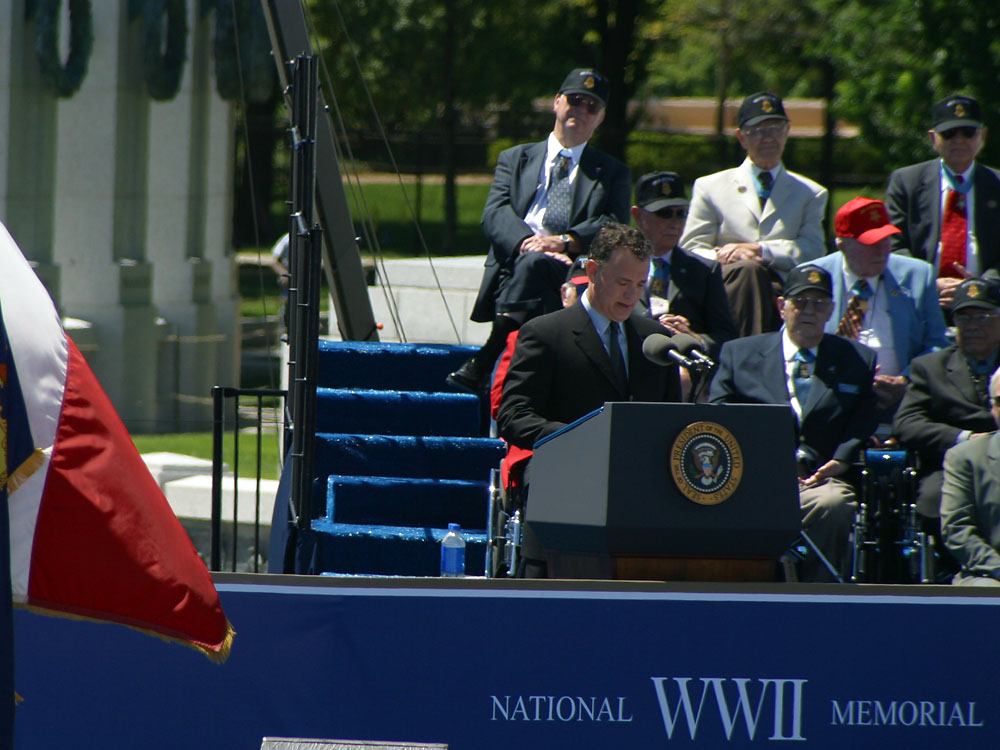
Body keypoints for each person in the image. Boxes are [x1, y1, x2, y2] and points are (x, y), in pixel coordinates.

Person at [497, 223, 681, 576]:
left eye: (640, 285)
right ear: (594, 271)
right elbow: (514, 414)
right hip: (566, 489)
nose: (632, 296)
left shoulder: (655, 340)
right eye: (623, 283)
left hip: (639, 499)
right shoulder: (547, 333)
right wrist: (577, 440)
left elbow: (669, 417)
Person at [447, 68, 630, 393]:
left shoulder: (612, 171)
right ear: (557, 103)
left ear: (601, 117)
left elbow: (614, 223)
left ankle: (488, 355)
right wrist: (527, 243)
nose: (581, 110)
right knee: (532, 264)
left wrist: (564, 241)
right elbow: (494, 213)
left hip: (575, 265)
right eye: (575, 100)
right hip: (519, 261)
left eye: (592, 106)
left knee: (537, 267)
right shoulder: (515, 158)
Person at [709, 264, 878, 581]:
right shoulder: (739, 354)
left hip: (819, 480)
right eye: (800, 301)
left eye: (819, 302)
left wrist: (841, 461)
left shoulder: (856, 359)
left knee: (835, 504)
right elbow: (720, 416)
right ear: (781, 305)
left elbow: (863, 419)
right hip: (753, 478)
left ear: (830, 309)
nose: (809, 311)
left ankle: (818, 598)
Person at [680, 92, 828, 337]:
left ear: (787, 130)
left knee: (756, 272)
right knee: (748, 271)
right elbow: (690, 248)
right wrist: (728, 255)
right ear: (741, 137)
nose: (768, 137)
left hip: (783, 288)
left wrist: (760, 250)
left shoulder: (811, 193)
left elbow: (812, 250)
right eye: (757, 130)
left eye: (774, 128)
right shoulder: (710, 186)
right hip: (727, 285)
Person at [804, 197, 948, 416]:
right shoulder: (811, 277)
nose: (882, 251)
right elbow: (794, 342)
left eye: (886, 240)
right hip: (830, 397)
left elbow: (937, 343)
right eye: (870, 243)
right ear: (842, 244)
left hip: (903, 399)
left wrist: (907, 379)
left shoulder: (917, 275)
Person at [894, 278, 1000, 521]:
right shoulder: (930, 367)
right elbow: (907, 423)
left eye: (983, 317)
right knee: (932, 500)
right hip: (950, 465)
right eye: (963, 318)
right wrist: (964, 438)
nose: (972, 326)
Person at [885, 94, 1000, 308]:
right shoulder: (906, 182)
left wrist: (978, 286)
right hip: (919, 300)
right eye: (948, 133)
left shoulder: (997, 184)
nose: (959, 140)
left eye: (968, 133)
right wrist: (927, 282)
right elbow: (892, 244)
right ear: (932, 138)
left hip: (987, 304)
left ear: (982, 135)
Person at [631, 171, 737, 359]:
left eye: (681, 214)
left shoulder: (704, 270)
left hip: (685, 365)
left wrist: (695, 340)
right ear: (638, 216)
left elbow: (726, 338)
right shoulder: (620, 264)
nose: (675, 223)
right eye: (664, 214)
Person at [940, 369, 1000, 586]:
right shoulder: (965, 457)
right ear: (991, 406)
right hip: (989, 575)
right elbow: (957, 529)